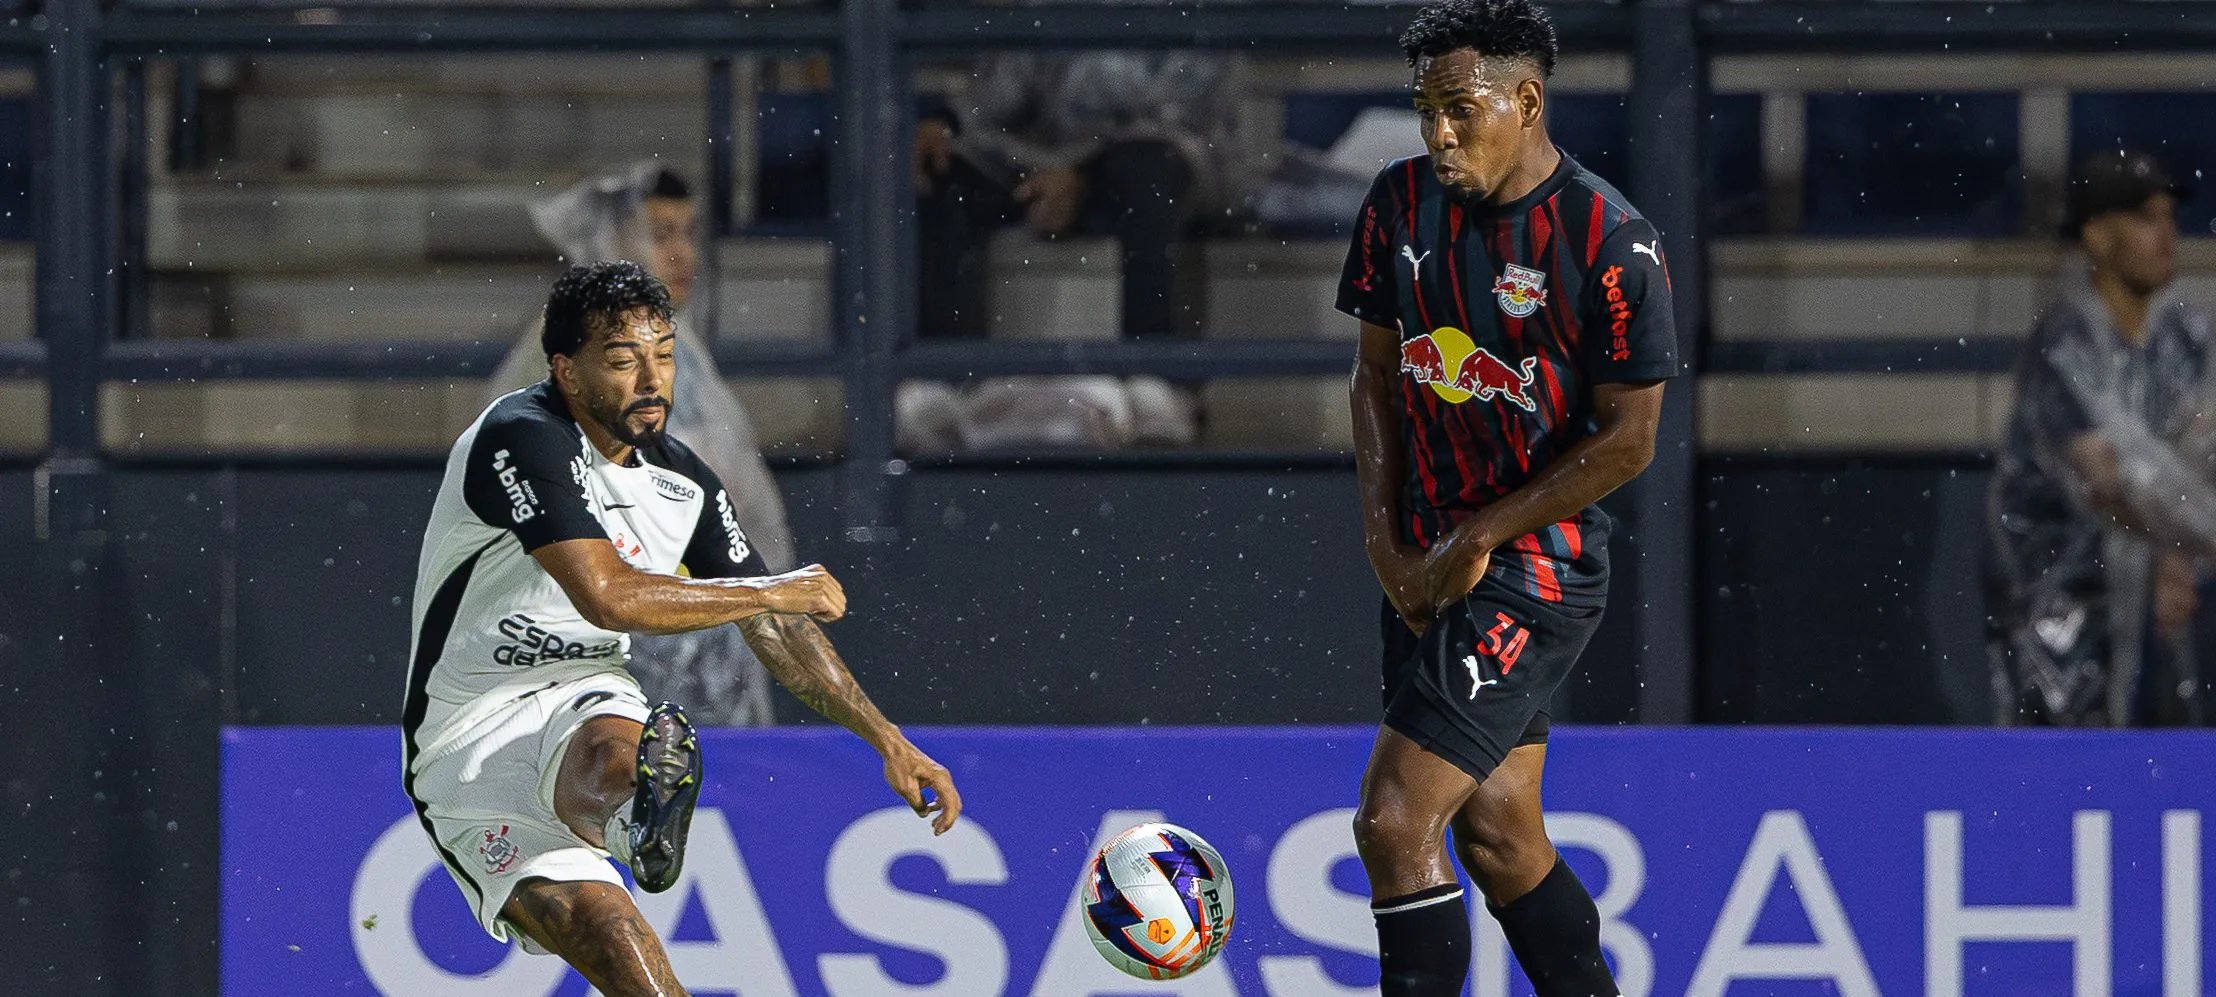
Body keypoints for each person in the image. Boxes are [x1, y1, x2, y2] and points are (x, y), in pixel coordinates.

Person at [409, 261, 961, 995]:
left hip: (585, 693)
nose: (651, 379)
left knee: (618, 752)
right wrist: (770, 588)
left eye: (663, 355)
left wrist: (887, 737)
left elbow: (778, 630)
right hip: (467, 736)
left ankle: (636, 819)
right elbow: (607, 597)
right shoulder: (521, 434)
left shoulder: (685, 483)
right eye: (622, 360)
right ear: (567, 372)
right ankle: (634, 822)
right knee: (605, 930)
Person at [1337, 2, 1676, 993]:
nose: (1437, 133)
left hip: (1534, 569)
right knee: (1498, 836)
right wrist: (1385, 544)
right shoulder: (1397, 206)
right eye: (1424, 110)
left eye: (1459, 110)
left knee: (1393, 820)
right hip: (1427, 561)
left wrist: (1479, 535)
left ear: (1524, 102)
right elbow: (1373, 377)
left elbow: (1630, 438)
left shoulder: (1611, 243)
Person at [488, 163, 794, 726]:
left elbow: (735, 504)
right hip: (602, 656)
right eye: (661, 234)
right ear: (614, 241)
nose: (684, 255)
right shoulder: (561, 359)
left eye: (688, 232)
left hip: (694, 644)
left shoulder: (686, 355)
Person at [905, 51, 1257, 450]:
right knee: (942, 169)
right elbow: (1008, 82)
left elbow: (1177, 119)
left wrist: (1080, 174)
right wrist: (947, 123)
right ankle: (947, 379)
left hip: (1173, 160)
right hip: (1049, 159)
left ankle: (1157, 379)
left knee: (1151, 170)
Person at [1987, 149, 2216, 727]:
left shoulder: (2183, 335)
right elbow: (2109, 480)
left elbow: (2196, 456)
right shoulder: (2063, 342)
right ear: (2096, 236)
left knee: (2171, 746)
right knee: (2065, 753)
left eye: (2169, 218)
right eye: (2145, 219)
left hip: (2158, 587)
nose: (2167, 236)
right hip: (2061, 590)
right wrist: (2186, 542)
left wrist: (2181, 560)